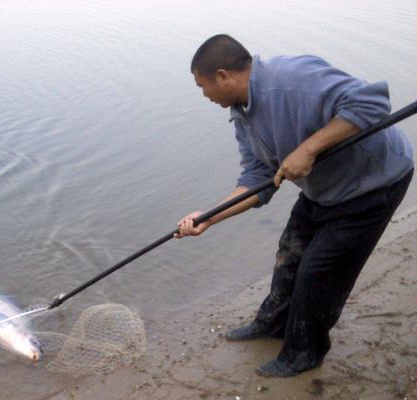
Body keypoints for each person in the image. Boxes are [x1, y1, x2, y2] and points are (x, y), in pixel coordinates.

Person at [175, 34, 414, 377]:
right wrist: (208, 218)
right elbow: (258, 179)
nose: (205, 95)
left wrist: (309, 148)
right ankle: (273, 324)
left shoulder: (295, 80)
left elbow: (373, 102)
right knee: (290, 256)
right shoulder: (242, 113)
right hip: (323, 189)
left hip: (374, 184)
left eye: (203, 86)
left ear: (224, 75)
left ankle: (305, 352)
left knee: (318, 274)